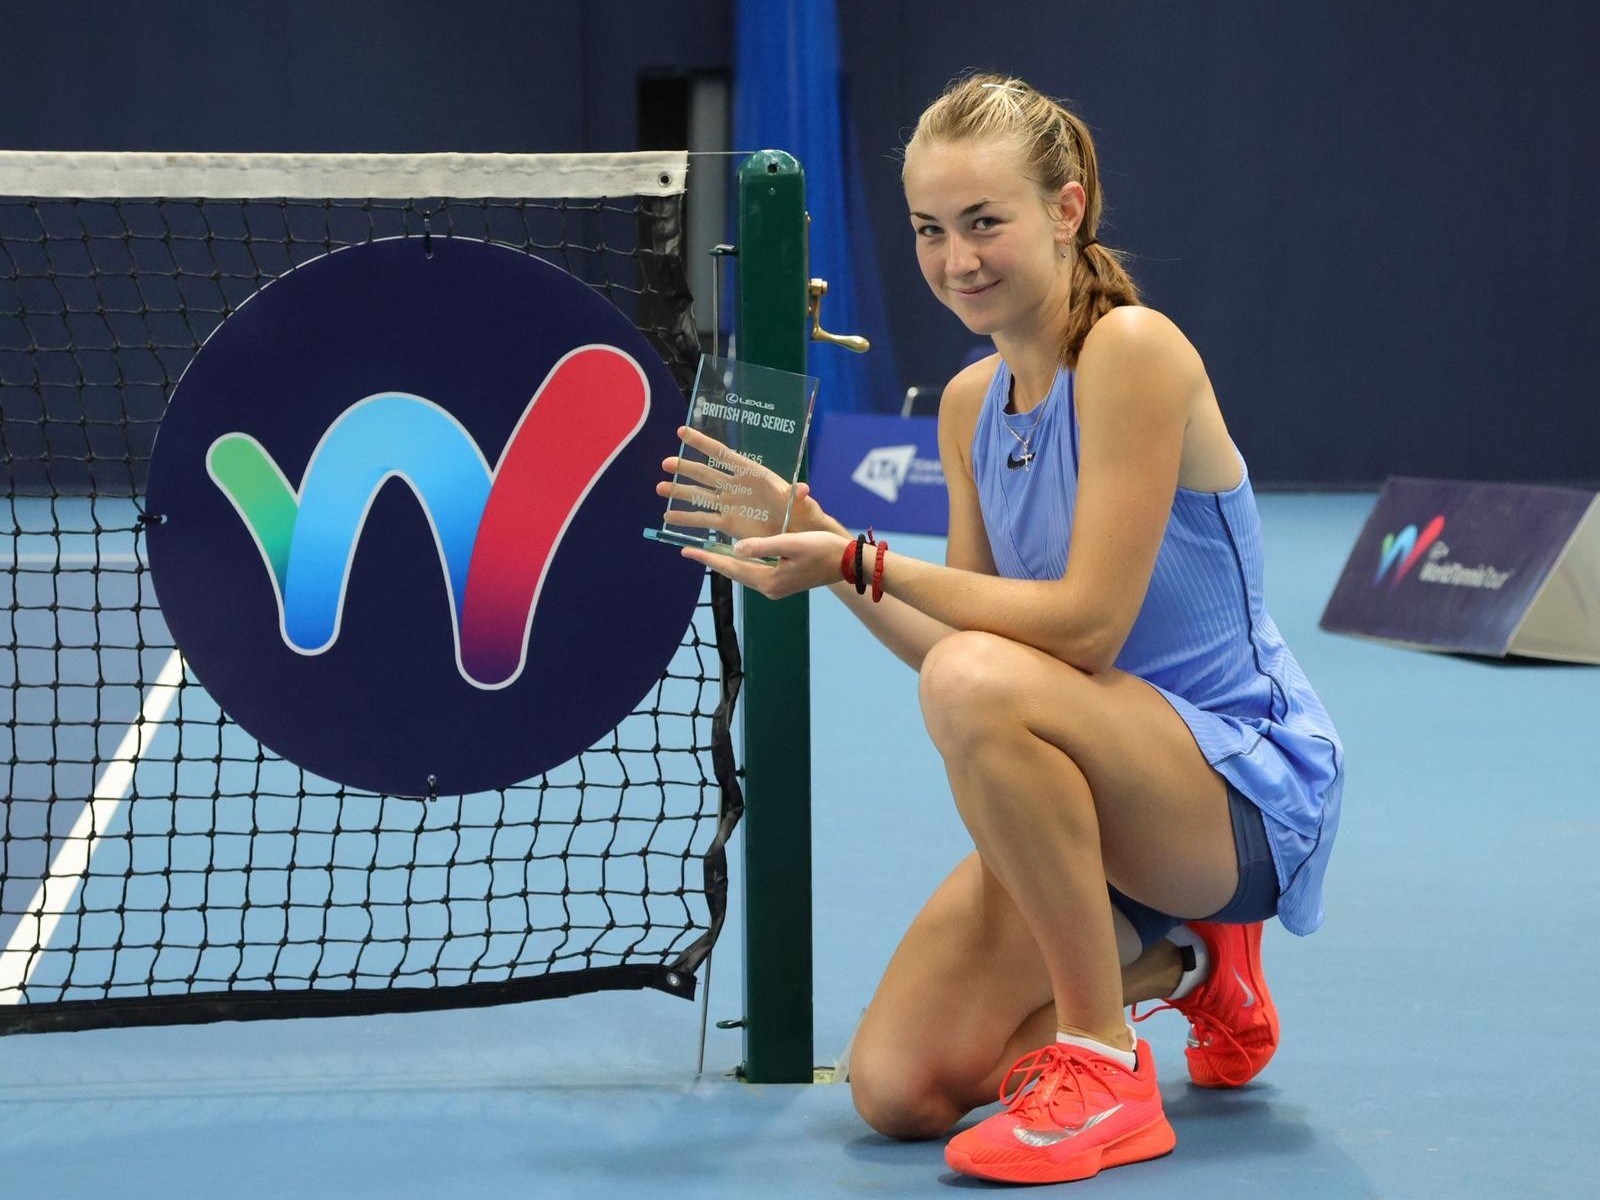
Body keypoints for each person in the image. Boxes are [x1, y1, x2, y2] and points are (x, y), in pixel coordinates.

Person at [657, 71, 1343, 1186]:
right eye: (930, 230)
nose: (955, 259)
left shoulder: (1135, 352)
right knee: (897, 1090)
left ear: (1065, 210)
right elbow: (960, 654)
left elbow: (1077, 627)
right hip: (1095, 804)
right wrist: (824, 547)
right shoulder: (974, 405)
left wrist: (864, 560)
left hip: (1238, 799)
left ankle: (1103, 1064)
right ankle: (1188, 971)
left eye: (985, 222)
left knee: (981, 679)